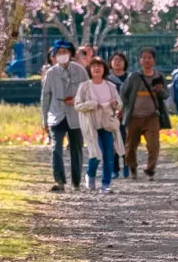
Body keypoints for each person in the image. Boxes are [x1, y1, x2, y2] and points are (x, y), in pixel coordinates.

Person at [40, 41, 87, 190]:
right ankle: (59, 181)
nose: (62, 55)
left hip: (76, 115)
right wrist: (44, 118)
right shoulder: (51, 72)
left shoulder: (80, 71)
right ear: (54, 55)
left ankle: (76, 182)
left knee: (76, 149)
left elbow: (87, 92)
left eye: (64, 52)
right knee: (56, 148)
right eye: (58, 52)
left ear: (71, 54)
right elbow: (45, 96)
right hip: (57, 114)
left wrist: (77, 101)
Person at [121, 47, 169, 178]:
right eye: (144, 58)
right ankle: (132, 168)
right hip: (134, 117)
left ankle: (150, 170)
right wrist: (125, 109)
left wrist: (159, 90)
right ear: (140, 60)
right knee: (130, 147)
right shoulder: (134, 77)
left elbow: (166, 95)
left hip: (152, 117)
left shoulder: (159, 76)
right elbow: (123, 93)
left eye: (150, 58)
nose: (147, 60)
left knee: (153, 146)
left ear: (154, 60)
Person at [75, 58, 122, 190]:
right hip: (91, 124)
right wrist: (91, 105)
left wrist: (115, 104)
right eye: (94, 66)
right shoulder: (84, 87)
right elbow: (77, 105)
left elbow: (120, 104)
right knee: (96, 153)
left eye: (100, 66)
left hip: (106, 124)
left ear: (104, 69)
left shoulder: (110, 86)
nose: (97, 68)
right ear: (89, 70)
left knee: (108, 154)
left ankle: (105, 184)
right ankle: (90, 174)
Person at [108, 52, 132, 176]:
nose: (117, 62)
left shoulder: (131, 78)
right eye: (115, 59)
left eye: (120, 60)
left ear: (125, 63)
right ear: (111, 63)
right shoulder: (107, 79)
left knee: (127, 140)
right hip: (111, 114)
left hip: (128, 113)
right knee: (114, 141)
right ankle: (115, 168)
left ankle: (127, 165)